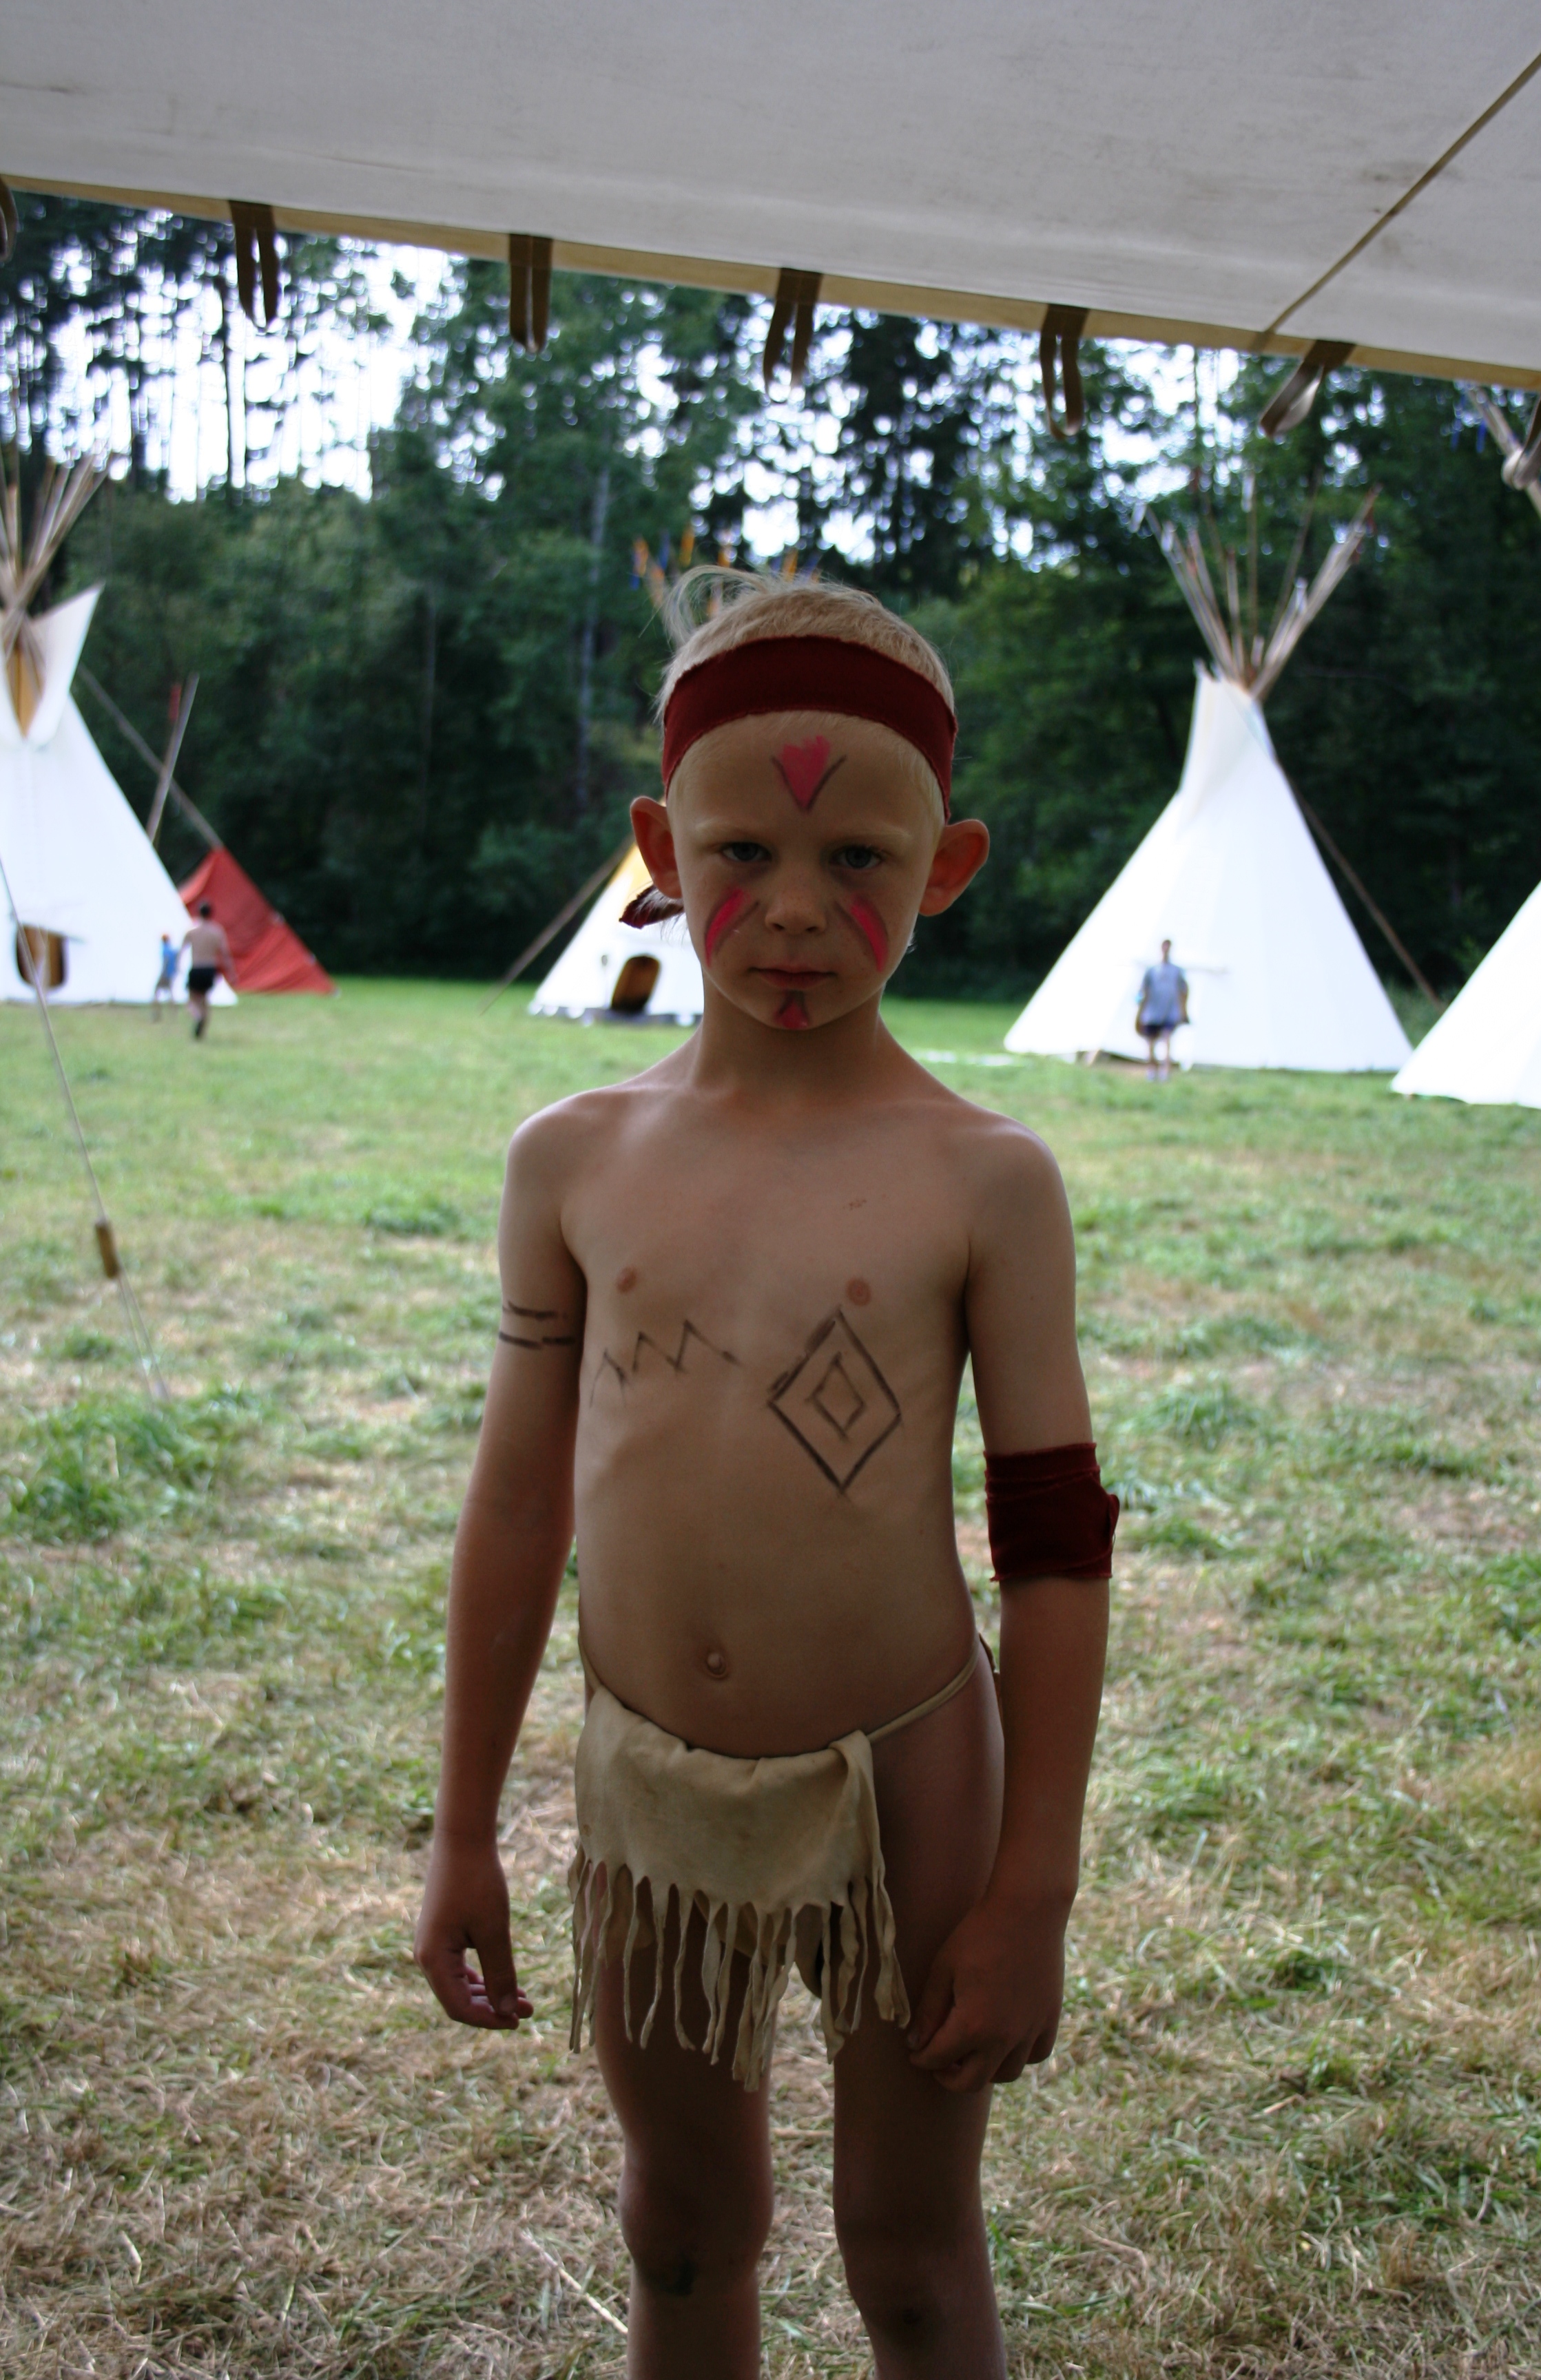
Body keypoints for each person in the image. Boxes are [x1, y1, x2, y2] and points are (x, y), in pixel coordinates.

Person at [415, 573, 1116, 2379]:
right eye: (742, 853)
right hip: (648, 1788)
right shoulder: (573, 1160)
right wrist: (465, 1825)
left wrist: (1031, 1886)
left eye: (858, 860)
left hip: (910, 1784)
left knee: (910, 2252)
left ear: (945, 867)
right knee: (679, 2232)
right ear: (660, 848)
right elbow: (517, 1504)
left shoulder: (986, 1179)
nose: (797, 908)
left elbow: (1053, 1545)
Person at [1135, 937, 1189, 1081]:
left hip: (1170, 1012)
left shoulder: (1177, 971)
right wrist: (1139, 1007)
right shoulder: (1151, 971)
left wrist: (1183, 1011)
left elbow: (1184, 990)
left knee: (1167, 1039)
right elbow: (1142, 991)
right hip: (1152, 1013)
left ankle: (1166, 1071)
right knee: (1150, 1043)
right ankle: (1152, 1069)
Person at [180, 901, 235, 1038]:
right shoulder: (217, 931)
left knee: (192, 999)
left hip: (196, 967)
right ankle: (202, 1027)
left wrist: (176, 967)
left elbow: (182, 950)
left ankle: (198, 1017)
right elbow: (225, 953)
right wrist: (232, 973)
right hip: (210, 969)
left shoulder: (192, 930)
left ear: (198, 913)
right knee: (205, 1000)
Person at [151, 931, 180, 1019]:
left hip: (165, 974)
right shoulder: (173, 950)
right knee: (171, 994)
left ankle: (156, 1013)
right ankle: (174, 1013)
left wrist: (163, 973)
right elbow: (177, 959)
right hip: (171, 975)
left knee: (156, 992)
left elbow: (166, 962)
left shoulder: (165, 950)